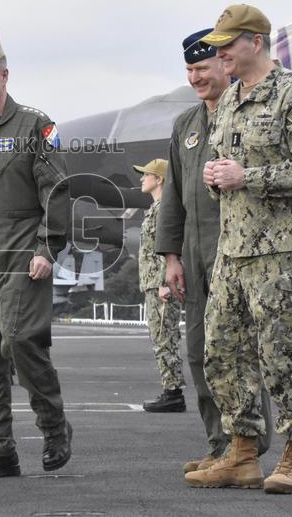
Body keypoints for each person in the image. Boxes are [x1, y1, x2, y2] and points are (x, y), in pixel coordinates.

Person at [185, 4, 292, 494]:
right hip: (235, 249)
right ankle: (242, 453)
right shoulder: (229, 102)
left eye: (227, 44)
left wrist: (248, 177)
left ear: (255, 41)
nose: (219, 52)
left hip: (286, 252)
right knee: (222, 354)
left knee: (283, 356)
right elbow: (223, 168)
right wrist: (214, 178)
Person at [0, 31, 72, 478]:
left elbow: (57, 190)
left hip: (24, 257)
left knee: (19, 340)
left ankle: (54, 424)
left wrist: (47, 246)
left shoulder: (35, 126)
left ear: (4, 74)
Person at [156, 29, 273, 472]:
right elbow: (174, 195)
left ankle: (247, 444)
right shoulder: (186, 125)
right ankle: (219, 443)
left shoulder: (245, 113)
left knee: (239, 350)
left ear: (225, 65)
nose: (195, 78)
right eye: (189, 70)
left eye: (202, 68)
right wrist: (170, 256)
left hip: (239, 250)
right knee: (200, 350)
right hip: (195, 253)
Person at [133, 158, 186, 412]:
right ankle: (171, 388)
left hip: (161, 285)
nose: (142, 179)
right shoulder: (156, 208)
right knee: (160, 336)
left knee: (165, 337)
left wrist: (165, 282)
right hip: (153, 284)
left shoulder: (166, 208)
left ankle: (173, 392)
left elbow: (172, 247)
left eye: (146, 175)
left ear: (160, 179)